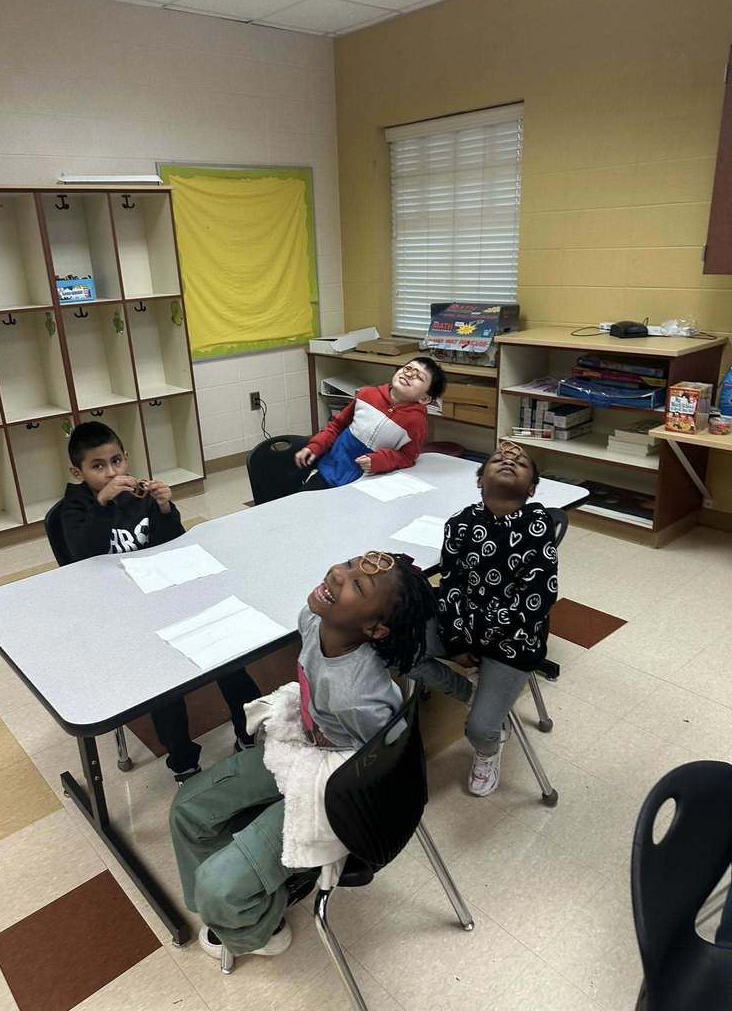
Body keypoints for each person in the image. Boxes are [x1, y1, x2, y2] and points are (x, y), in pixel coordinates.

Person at [169, 551, 470, 963]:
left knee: (219, 886)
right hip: (303, 745)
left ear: (375, 629)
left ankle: (262, 924)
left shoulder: (358, 697)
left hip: (333, 777)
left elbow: (376, 764)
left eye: (357, 586)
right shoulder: (312, 619)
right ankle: (230, 907)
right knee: (188, 808)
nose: (338, 574)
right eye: (348, 565)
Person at [60, 421, 261, 781]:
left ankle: (249, 731)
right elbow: (83, 557)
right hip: (121, 607)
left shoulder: (139, 496)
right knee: (165, 688)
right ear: (78, 472)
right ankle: (183, 761)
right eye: (98, 466)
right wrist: (102, 504)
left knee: (229, 655)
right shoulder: (74, 509)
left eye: (117, 461)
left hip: (167, 591)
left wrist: (166, 510)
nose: (112, 472)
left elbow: (175, 543)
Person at [437, 440, 558, 797]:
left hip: (514, 641)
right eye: (498, 458)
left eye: (520, 462)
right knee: (395, 644)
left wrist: (476, 636)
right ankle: (469, 690)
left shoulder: (538, 524)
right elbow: (451, 586)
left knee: (479, 730)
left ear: (531, 488)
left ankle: (488, 751)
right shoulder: (459, 523)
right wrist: (457, 641)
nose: (509, 459)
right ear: (479, 480)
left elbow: (537, 599)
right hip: (467, 629)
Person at [294, 357, 446, 489]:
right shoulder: (366, 394)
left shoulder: (416, 422)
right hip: (331, 468)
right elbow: (337, 425)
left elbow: (408, 457)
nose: (409, 373)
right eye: (408, 368)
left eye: (419, 377)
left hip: (367, 482)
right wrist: (315, 446)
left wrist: (382, 460)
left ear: (425, 399)